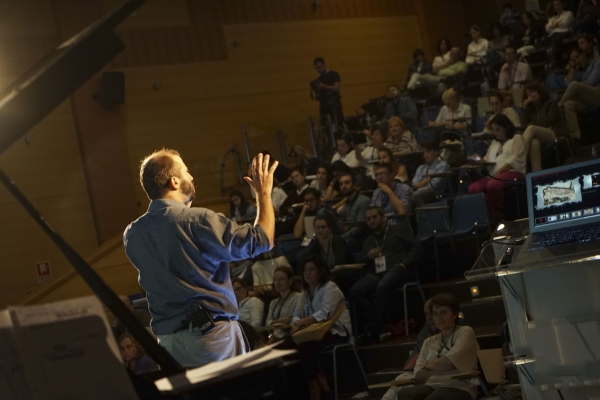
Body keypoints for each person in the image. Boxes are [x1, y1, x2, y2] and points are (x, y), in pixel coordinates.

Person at [123, 150, 277, 368]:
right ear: (174, 181)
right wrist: (263, 194)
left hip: (168, 345)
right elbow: (262, 240)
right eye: (186, 171)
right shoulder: (198, 220)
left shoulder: (132, 233)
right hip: (211, 339)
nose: (191, 177)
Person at [350, 206, 422, 344]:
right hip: (378, 273)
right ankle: (379, 327)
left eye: (374, 217)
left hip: (399, 270)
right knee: (355, 291)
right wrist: (368, 256)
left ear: (383, 218)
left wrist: (404, 264)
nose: (371, 220)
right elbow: (362, 262)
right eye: (368, 218)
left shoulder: (398, 230)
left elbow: (417, 248)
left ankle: (372, 330)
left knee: (382, 286)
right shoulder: (369, 240)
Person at [291, 256, 354, 400]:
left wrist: (302, 322)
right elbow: (296, 315)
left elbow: (325, 313)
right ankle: (318, 380)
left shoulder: (329, 287)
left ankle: (317, 387)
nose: (308, 273)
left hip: (336, 330)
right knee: (290, 348)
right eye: (305, 270)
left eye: (312, 269)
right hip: (314, 332)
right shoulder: (305, 292)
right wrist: (297, 323)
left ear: (320, 272)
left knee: (305, 348)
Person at [396, 293, 479, 400]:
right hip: (432, 385)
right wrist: (439, 368)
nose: (439, 318)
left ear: (454, 314)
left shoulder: (465, 332)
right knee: (405, 393)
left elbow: (449, 362)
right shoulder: (428, 342)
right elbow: (418, 376)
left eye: (443, 313)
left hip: (459, 385)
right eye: (435, 313)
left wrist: (428, 367)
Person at [468, 114, 527, 219]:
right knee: (473, 188)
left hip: (513, 171)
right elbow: (487, 159)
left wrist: (499, 171)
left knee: (493, 185)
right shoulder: (495, 143)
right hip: (494, 175)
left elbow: (516, 159)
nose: (495, 133)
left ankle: (502, 213)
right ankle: (495, 214)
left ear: (506, 128)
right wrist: (478, 160)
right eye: (493, 130)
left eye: (498, 130)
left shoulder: (517, 138)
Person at [381, 299, 440, 400]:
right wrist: (410, 370)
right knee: (393, 390)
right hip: (415, 371)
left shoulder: (454, 330)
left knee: (404, 391)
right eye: (426, 314)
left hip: (431, 375)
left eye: (432, 313)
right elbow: (418, 349)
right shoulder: (428, 328)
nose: (429, 318)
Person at [559, 49, 600, 146]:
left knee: (574, 85)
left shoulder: (596, 64)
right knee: (568, 105)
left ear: (584, 54)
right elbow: (566, 84)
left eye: (578, 57)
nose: (577, 61)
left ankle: (557, 109)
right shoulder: (577, 71)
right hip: (586, 102)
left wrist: (577, 87)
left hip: (597, 95)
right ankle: (576, 138)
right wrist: (572, 68)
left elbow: (590, 82)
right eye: (573, 60)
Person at [521, 83, 563, 170]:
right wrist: (524, 106)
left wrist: (532, 124)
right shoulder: (530, 109)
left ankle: (518, 152)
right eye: (528, 94)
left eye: (532, 91)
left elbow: (548, 121)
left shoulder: (551, 103)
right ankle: (536, 173)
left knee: (531, 128)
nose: (531, 95)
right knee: (533, 143)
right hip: (539, 137)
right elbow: (523, 124)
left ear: (539, 91)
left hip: (554, 133)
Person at [265, 266, 300, 344]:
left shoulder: (297, 297)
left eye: (281, 280)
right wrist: (279, 321)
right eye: (275, 280)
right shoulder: (273, 302)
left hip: (290, 338)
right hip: (274, 339)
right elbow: (268, 324)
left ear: (290, 281)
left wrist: (274, 336)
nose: (277, 283)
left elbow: (289, 323)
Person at [335, 172, 370, 248]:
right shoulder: (346, 203)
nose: (343, 186)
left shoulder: (364, 200)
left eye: (347, 183)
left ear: (354, 185)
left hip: (358, 239)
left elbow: (359, 228)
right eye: (341, 184)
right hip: (347, 236)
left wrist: (340, 238)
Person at [411, 141, 449, 207]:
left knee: (416, 194)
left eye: (428, 151)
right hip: (421, 191)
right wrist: (428, 180)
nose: (425, 155)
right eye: (424, 152)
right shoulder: (421, 168)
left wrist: (421, 184)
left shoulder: (443, 165)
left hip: (436, 193)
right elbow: (414, 185)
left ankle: (424, 215)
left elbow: (435, 184)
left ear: (436, 152)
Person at [311, 57, 344, 127]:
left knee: (339, 126)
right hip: (324, 107)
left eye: (320, 67)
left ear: (324, 64)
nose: (318, 70)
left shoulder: (333, 74)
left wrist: (323, 86)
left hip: (334, 105)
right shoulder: (319, 80)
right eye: (316, 68)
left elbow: (337, 88)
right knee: (327, 128)